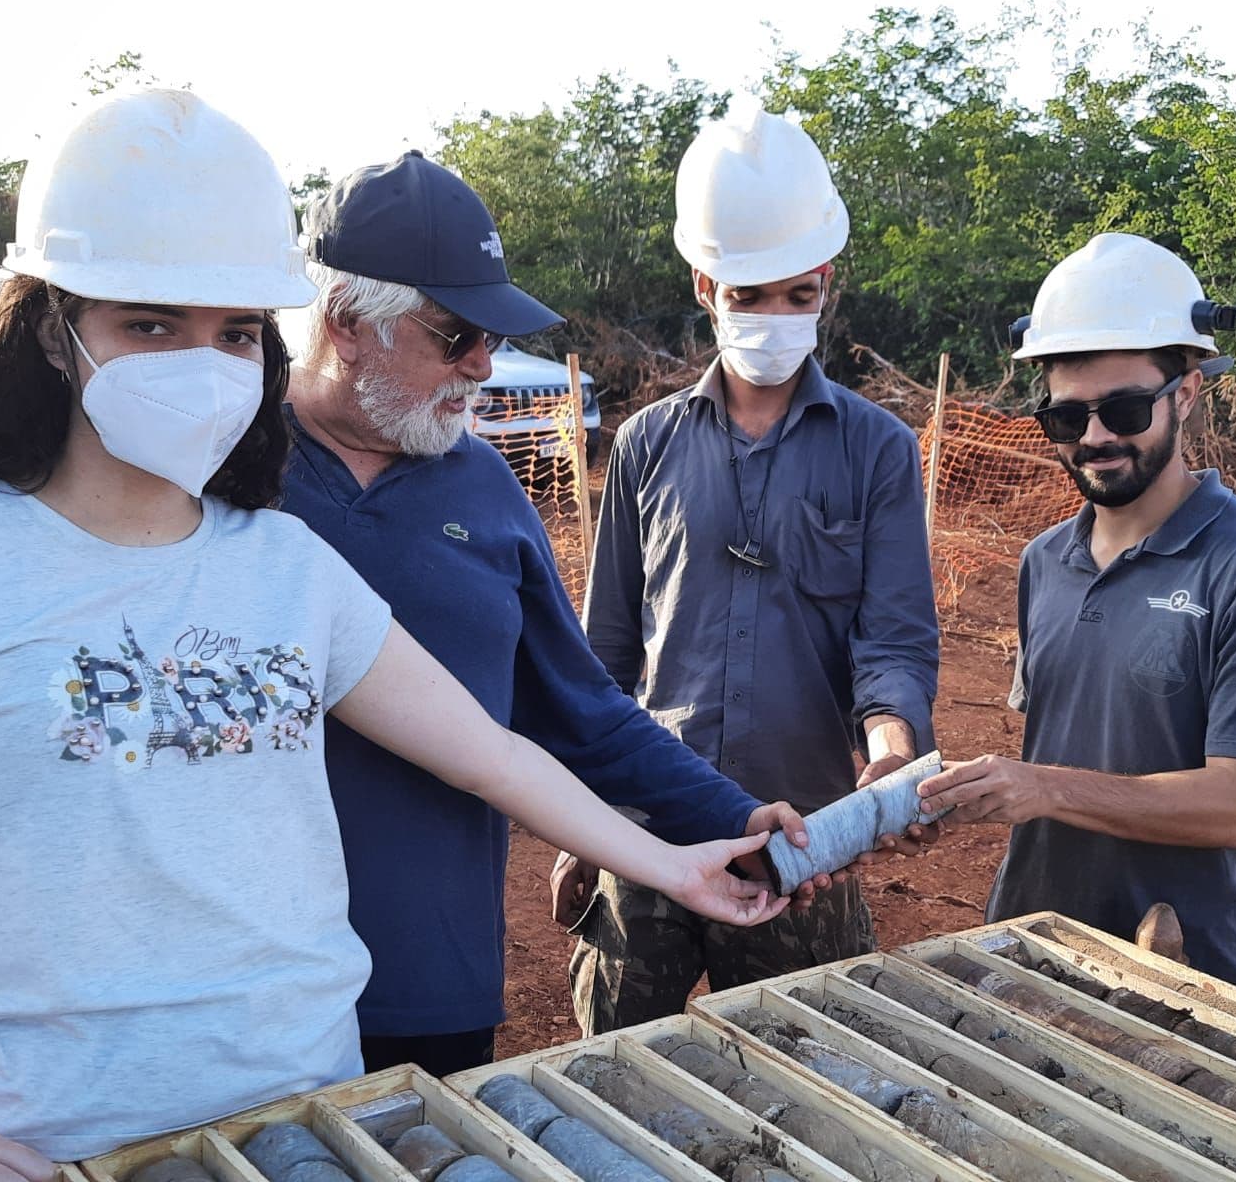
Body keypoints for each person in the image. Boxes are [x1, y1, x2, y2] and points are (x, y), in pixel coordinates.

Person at [0, 90, 790, 1178]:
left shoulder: (286, 563)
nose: (203, 363)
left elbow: (491, 753)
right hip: (43, 1141)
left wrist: (679, 865)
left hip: (310, 1122)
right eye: (150, 324)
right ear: (52, 328)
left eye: (234, 331)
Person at [280, 151, 828, 1078]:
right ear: (345, 322)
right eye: (457, 335)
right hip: (250, 985)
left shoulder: (484, 486)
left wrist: (735, 818)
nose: (484, 365)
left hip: (430, 968)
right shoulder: (227, 472)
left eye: (492, 336)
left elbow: (581, 710)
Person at [559, 108, 941, 1034]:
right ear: (705, 286)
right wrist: (585, 820)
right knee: (614, 1064)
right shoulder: (646, 445)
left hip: (803, 838)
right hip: (649, 831)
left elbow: (892, 641)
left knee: (803, 1060)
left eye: (797, 294)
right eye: (748, 295)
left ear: (826, 286)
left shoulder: (877, 450)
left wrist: (889, 756)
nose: (774, 317)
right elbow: (604, 656)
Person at [916, 232, 1236, 992]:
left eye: (1126, 409)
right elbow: (1067, 742)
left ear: (1188, 393)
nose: (1097, 437)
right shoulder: (1045, 560)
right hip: (1031, 938)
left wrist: (1043, 787)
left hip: (1180, 963)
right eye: (1068, 418)